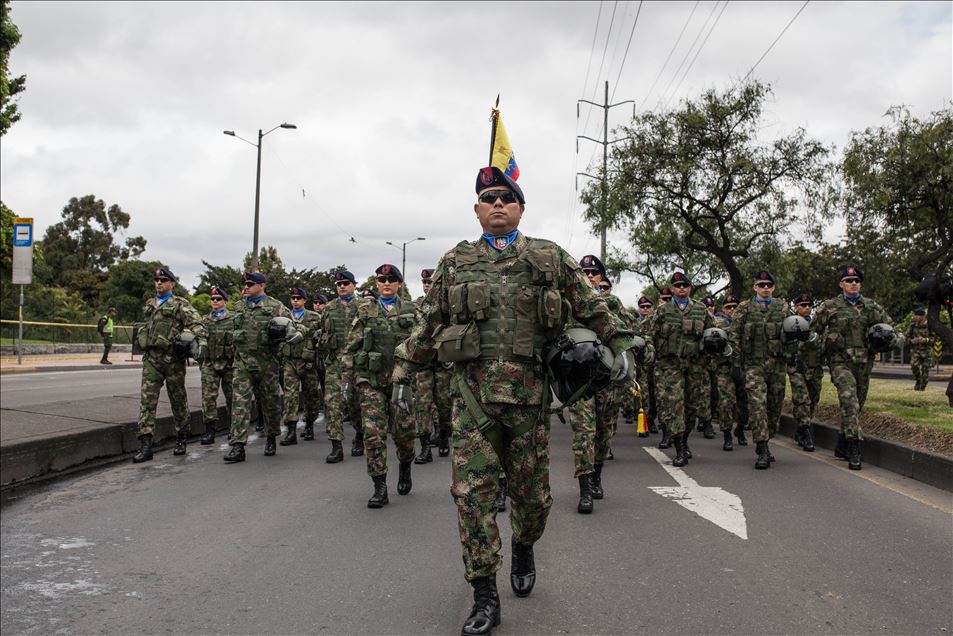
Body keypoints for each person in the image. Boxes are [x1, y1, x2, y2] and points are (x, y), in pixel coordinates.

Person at [392, 166, 633, 636]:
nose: (497, 204)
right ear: (477, 209)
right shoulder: (455, 262)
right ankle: (484, 594)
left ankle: (524, 544)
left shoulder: (549, 257)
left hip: (528, 402)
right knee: (471, 499)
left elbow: (592, 306)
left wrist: (621, 345)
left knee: (533, 499)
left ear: (521, 208)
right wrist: (404, 368)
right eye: (488, 197)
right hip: (472, 402)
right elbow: (428, 324)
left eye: (507, 197)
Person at [344, 264, 418, 508]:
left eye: (391, 279)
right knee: (373, 434)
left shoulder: (410, 310)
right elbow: (351, 346)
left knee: (404, 434)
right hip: (371, 382)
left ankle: (405, 464)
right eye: (381, 279)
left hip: (401, 382)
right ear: (376, 284)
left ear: (399, 283)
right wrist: (348, 378)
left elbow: (422, 345)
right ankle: (379, 486)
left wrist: (409, 370)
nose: (386, 283)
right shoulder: (365, 310)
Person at [812, 266, 899, 470]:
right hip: (840, 363)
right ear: (841, 284)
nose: (853, 283)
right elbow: (812, 333)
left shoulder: (871, 307)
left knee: (856, 404)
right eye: (849, 280)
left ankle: (841, 444)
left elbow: (892, 329)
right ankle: (854, 448)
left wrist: (893, 341)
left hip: (864, 363)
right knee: (849, 400)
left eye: (856, 280)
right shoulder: (829, 307)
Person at [132, 267, 206, 463]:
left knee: (178, 399)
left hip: (173, 360)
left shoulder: (180, 304)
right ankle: (145, 444)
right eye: (156, 280)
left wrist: (201, 344)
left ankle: (182, 437)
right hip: (151, 359)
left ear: (172, 284)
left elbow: (197, 324)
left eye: (163, 280)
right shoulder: (149, 304)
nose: (159, 283)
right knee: (147, 402)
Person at [223, 271, 295, 463]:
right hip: (243, 363)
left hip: (267, 364)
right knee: (240, 403)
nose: (246, 287)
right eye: (245, 283)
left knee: (270, 403)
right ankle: (238, 446)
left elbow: (294, 327)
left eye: (250, 283)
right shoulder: (239, 306)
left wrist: (288, 336)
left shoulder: (275, 306)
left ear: (262, 285)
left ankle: (271, 437)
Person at [728, 270, 790, 469]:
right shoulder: (744, 309)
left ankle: (767, 438)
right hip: (753, 365)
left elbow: (791, 333)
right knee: (757, 405)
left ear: (773, 288)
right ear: (754, 287)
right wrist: (737, 364)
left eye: (768, 285)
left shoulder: (782, 308)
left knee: (774, 406)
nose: (765, 288)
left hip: (777, 366)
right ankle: (762, 447)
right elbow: (734, 336)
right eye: (761, 285)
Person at [650, 271, 712, 466]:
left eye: (684, 285)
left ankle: (684, 440)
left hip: (694, 366)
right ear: (673, 289)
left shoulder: (701, 310)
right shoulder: (663, 311)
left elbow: (713, 335)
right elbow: (651, 335)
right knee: (674, 405)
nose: (681, 289)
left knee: (691, 407)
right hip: (669, 366)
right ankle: (680, 449)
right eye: (677, 286)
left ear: (690, 288)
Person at [317, 270, 366, 462]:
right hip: (334, 364)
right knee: (332, 404)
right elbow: (323, 334)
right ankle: (336, 446)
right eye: (339, 284)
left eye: (346, 283)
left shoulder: (364, 306)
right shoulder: (329, 308)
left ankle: (360, 435)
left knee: (354, 404)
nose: (342, 287)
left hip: (356, 364)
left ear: (354, 285)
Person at [279, 287, 323, 446]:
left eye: (298, 298)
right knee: (290, 396)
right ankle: (291, 430)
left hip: (308, 363)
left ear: (305, 300)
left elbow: (322, 336)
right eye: (293, 298)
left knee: (311, 395)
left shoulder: (314, 317)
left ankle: (309, 424)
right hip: (290, 361)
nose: (295, 301)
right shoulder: (284, 317)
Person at [199, 286, 235, 445]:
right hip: (210, 364)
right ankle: (209, 431)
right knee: (208, 398)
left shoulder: (233, 319)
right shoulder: (204, 321)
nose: (215, 301)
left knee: (232, 398)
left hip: (229, 364)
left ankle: (234, 428)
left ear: (225, 301)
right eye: (213, 299)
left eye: (218, 299)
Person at [787, 292, 822, 452]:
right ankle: (806, 432)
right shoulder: (789, 323)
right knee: (802, 399)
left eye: (809, 305)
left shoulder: (817, 323)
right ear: (796, 307)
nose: (807, 308)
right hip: (796, 367)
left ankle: (800, 429)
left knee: (813, 399)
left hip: (814, 367)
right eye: (803, 305)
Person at [712, 294, 747, 450]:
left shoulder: (747, 322)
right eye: (728, 307)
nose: (732, 310)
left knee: (745, 402)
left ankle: (740, 429)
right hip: (725, 368)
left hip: (745, 368)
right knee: (726, 402)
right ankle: (727, 434)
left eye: (734, 307)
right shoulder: (717, 325)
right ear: (723, 310)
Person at [907, 307, 934, 391]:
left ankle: (922, 387)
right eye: (915, 315)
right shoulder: (912, 325)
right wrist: (911, 341)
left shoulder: (929, 325)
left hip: (927, 351)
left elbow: (935, 339)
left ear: (923, 316)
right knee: (913, 365)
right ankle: (918, 381)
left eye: (917, 315)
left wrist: (925, 340)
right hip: (916, 350)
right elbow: (906, 336)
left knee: (925, 370)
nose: (915, 317)